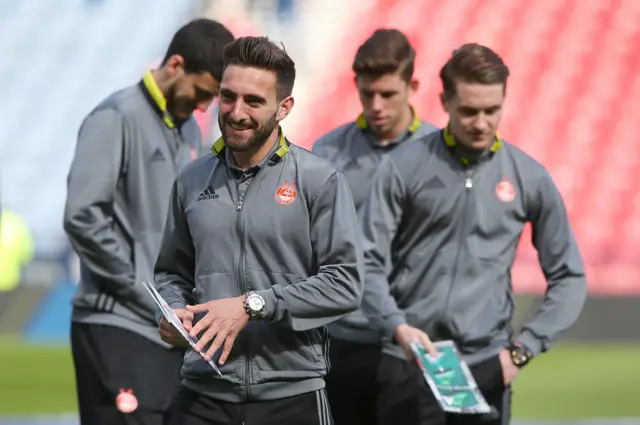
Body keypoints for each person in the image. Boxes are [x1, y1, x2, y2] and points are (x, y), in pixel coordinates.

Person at [359, 43, 588, 425]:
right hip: (409, 363)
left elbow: (570, 276)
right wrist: (396, 326)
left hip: (487, 366)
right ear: (445, 101)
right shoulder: (402, 167)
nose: (481, 122)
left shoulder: (529, 177)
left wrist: (521, 351)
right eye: (468, 111)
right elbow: (366, 261)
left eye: (491, 110)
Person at [154, 36, 363, 425]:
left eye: (253, 101)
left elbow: (346, 283)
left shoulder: (320, 180)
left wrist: (254, 305)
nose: (236, 112)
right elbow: (171, 272)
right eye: (228, 96)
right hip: (203, 393)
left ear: (284, 107)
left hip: (292, 394)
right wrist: (173, 311)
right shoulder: (190, 180)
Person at [63, 19, 234, 425]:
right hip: (118, 326)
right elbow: (82, 216)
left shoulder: (192, 129)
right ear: (175, 65)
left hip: (167, 330)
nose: (205, 106)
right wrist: (142, 289)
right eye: (202, 92)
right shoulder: (115, 117)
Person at [311, 28, 438, 425]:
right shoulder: (327, 152)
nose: (376, 105)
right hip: (343, 340)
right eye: (367, 94)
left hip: (416, 339)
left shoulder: (442, 153)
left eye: (388, 94)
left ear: (412, 85)